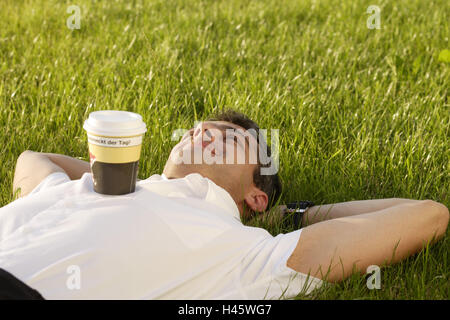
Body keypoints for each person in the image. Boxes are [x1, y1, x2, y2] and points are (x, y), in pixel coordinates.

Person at [0, 110, 448, 299]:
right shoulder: (99, 189)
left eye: (231, 137)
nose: (205, 131)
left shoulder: (243, 250)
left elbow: (428, 214)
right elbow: (32, 160)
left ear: (255, 196)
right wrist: (127, 183)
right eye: (200, 127)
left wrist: (292, 215)